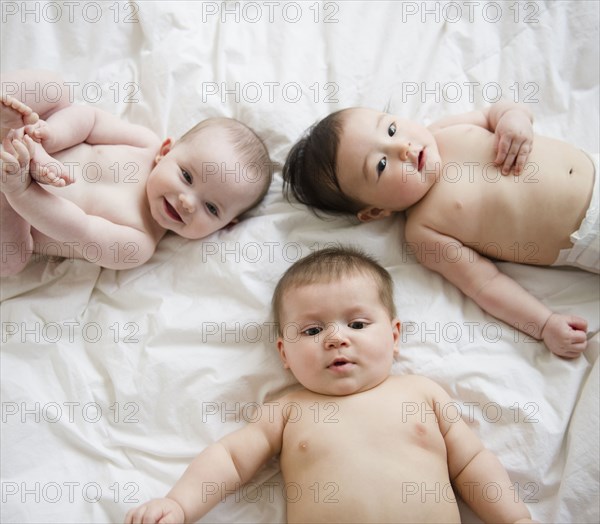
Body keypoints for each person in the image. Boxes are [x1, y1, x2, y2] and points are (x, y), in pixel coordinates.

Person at [125, 247, 536, 524]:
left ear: (395, 336)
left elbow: (471, 464)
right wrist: (178, 504)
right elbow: (230, 459)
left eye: (357, 324)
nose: (337, 338)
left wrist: (514, 518)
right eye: (313, 329)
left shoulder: (421, 393)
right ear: (284, 354)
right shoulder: (290, 409)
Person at [282, 102, 598, 358]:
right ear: (377, 211)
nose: (402, 148)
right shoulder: (425, 231)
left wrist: (514, 120)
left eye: (391, 129)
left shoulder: (444, 130)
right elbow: (485, 284)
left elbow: (497, 112)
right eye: (380, 165)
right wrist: (543, 324)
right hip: (588, 235)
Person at [0, 70, 272, 275]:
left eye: (211, 208)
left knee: (11, 259)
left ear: (226, 226)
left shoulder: (137, 244)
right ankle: (14, 130)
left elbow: (78, 229)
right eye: (187, 177)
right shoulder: (143, 143)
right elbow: (90, 120)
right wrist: (51, 136)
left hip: (17, 211)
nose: (188, 202)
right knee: (53, 90)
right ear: (165, 151)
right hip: (31, 141)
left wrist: (19, 191)